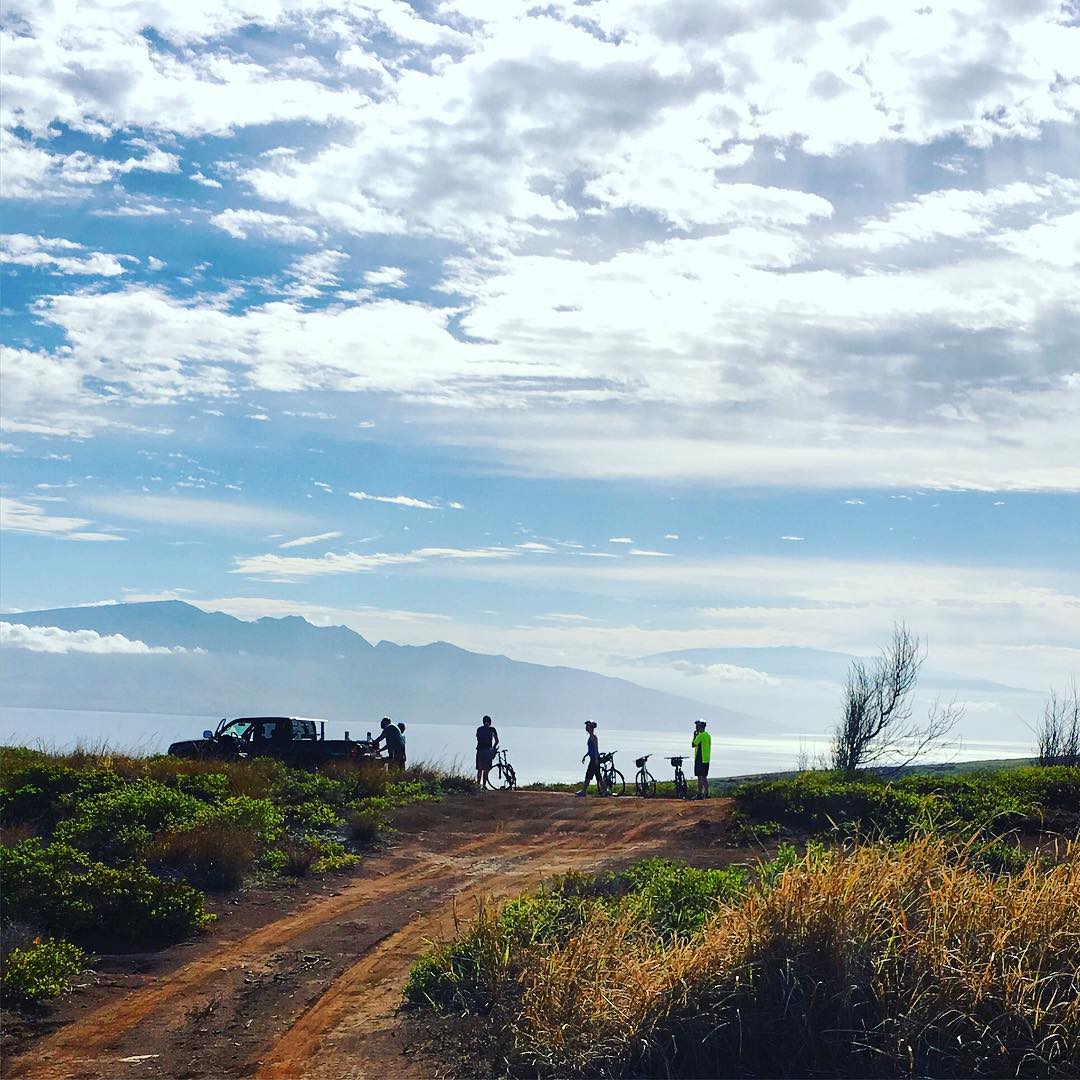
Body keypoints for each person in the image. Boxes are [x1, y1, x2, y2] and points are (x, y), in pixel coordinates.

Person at [577, 720, 607, 796]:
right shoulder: (591, 737)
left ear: (591, 728)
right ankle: (605, 791)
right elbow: (591, 750)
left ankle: (583, 792)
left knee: (588, 775)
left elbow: (596, 749)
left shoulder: (593, 737)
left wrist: (597, 759)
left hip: (594, 759)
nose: (586, 728)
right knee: (598, 776)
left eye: (587, 726)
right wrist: (585, 756)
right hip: (593, 758)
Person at [475, 715, 499, 789]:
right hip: (488, 751)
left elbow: (477, 738)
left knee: (479, 769)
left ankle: (478, 785)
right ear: (490, 722)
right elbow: (497, 741)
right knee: (486, 769)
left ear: (483, 721)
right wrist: (493, 748)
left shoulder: (479, 729)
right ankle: (484, 785)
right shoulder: (492, 729)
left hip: (479, 750)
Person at [692, 719, 711, 799]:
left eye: (697, 725)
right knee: (704, 776)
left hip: (700, 758)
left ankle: (699, 794)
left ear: (700, 726)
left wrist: (694, 736)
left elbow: (693, 744)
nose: (696, 727)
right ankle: (707, 793)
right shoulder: (708, 735)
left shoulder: (700, 735)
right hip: (706, 758)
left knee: (700, 776)